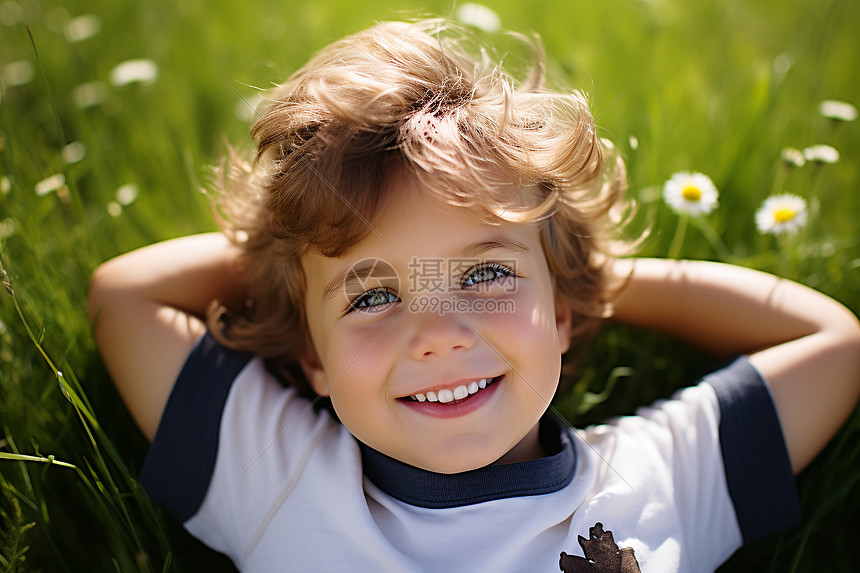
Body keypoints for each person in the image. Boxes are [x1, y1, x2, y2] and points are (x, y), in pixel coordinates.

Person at [88, 19, 860, 573]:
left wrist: (585, 277)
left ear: (559, 312)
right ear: (312, 358)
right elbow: (123, 296)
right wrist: (292, 248)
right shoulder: (281, 475)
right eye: (370, 296)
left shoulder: (659, 478)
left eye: (486, 276)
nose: (438, 333)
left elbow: (833, 344)